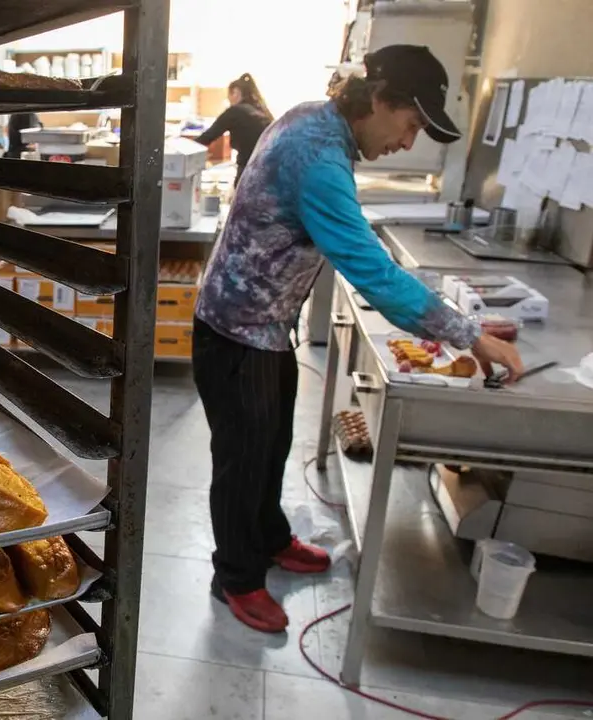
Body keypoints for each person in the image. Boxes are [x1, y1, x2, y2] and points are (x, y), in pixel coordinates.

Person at [192, 45, 524, 634]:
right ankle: (237, 578)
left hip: (263, 326)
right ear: (379, 100)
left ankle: (268, 537)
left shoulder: (319, 122)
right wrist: (470, 336)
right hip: (236, 331)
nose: (408, 141)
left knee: (271, 443)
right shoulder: (317, 156)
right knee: (243, 458)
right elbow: (371, 270)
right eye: (411, 123)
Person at [190, 73, 274, 184]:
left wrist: (184, 147)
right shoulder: (261, 112)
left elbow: (208, 136)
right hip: (268, 169)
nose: (229, 100)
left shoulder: (235, 112)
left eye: (229, 96)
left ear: (235, 92)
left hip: (248, 170)